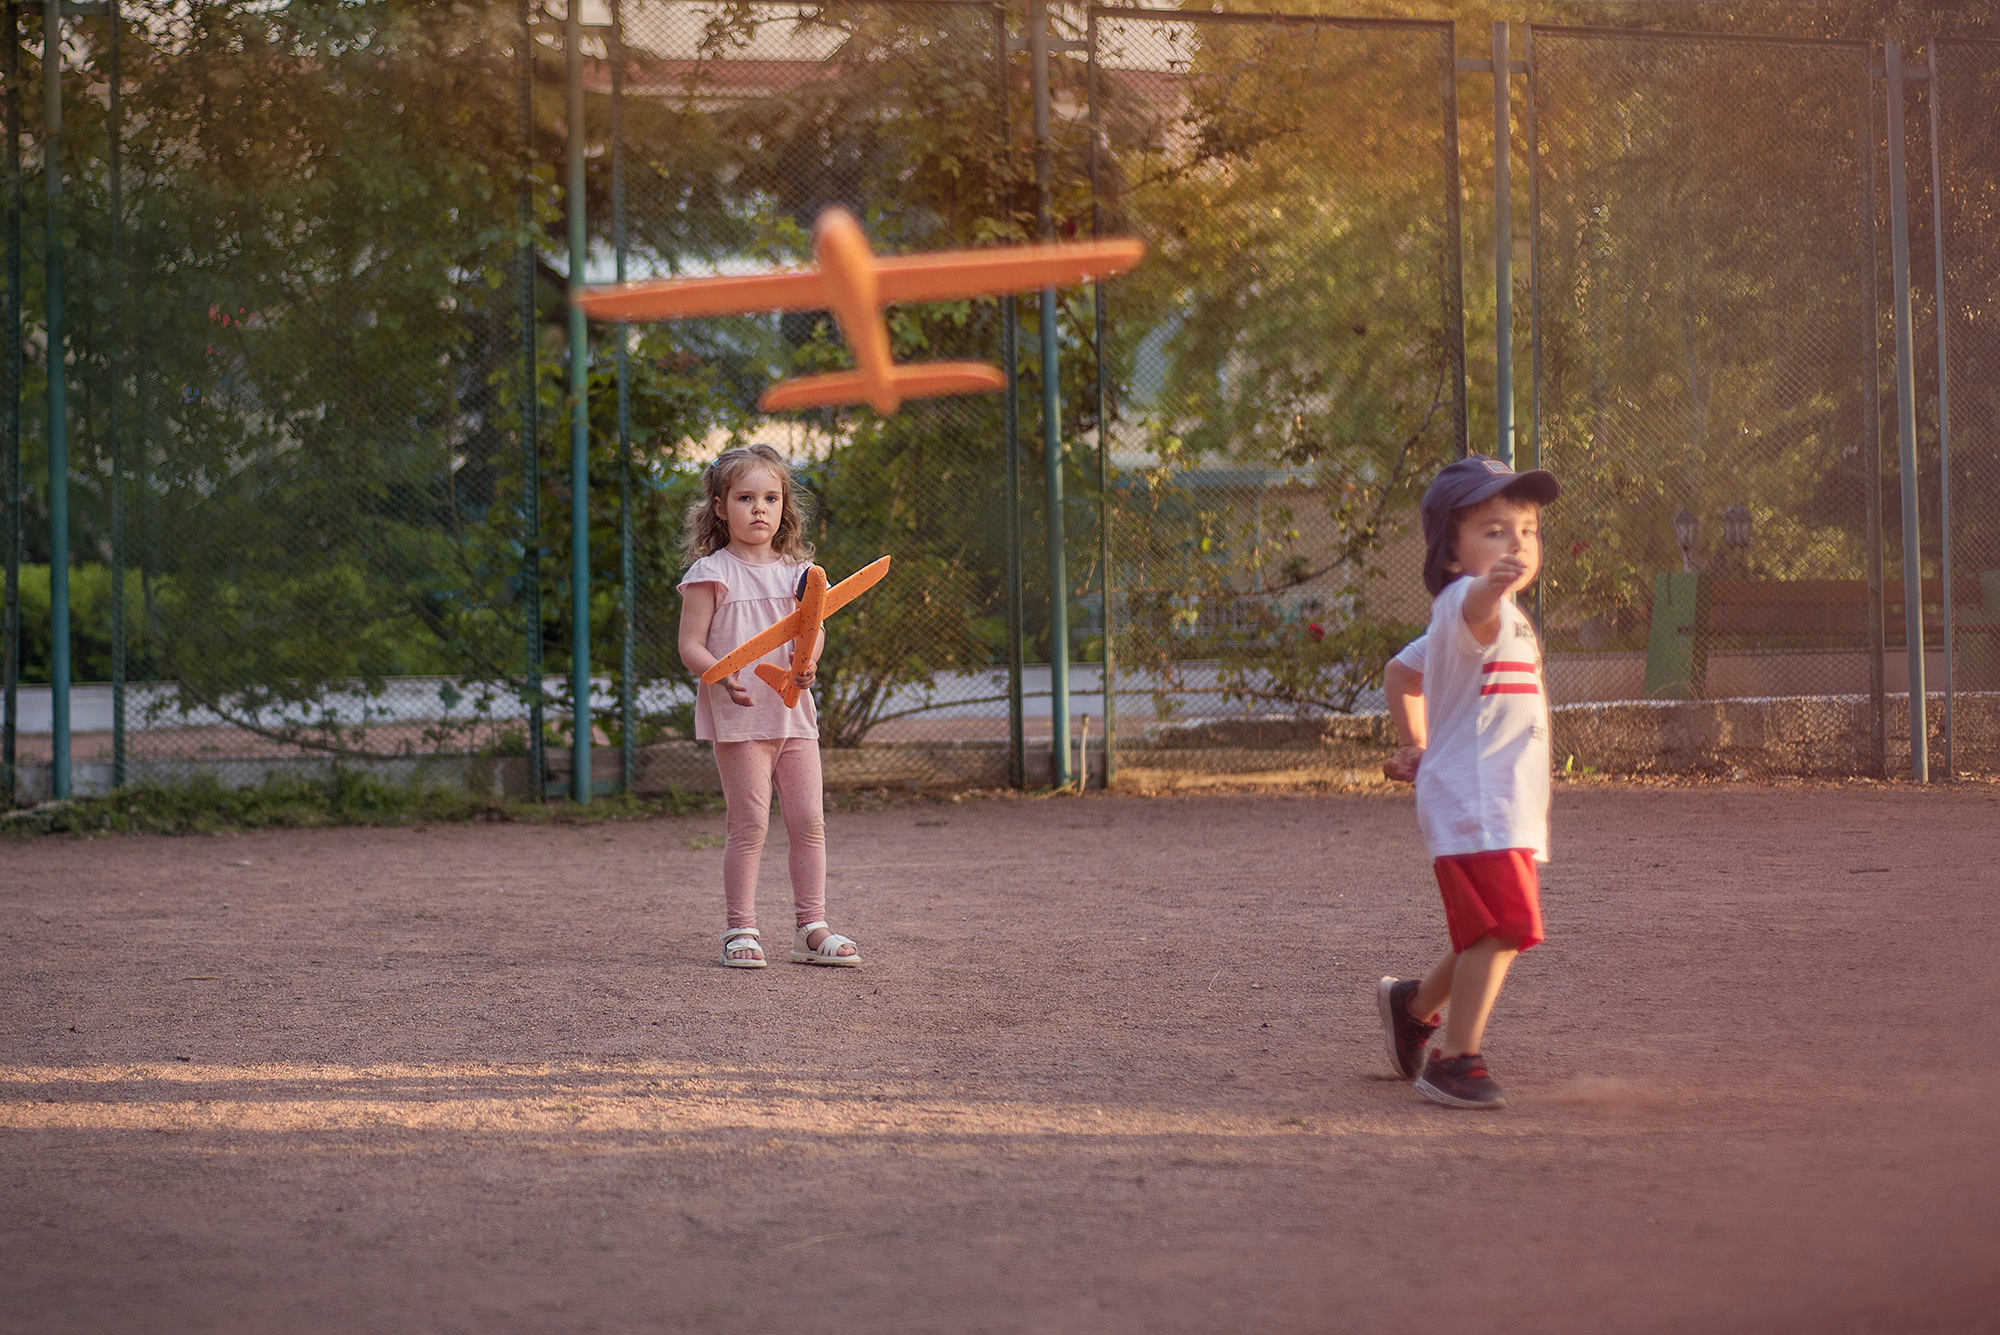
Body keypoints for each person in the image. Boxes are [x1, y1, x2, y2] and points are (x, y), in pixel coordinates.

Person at [1376, 454, 1559, 1109]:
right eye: (1494, 530)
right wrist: (1488, 586)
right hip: (1476, 800)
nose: (1517, 544)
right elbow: (1476, 601)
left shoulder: (1496, 617)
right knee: (1502, 928)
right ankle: (1456, 1061)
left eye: (1528, 530)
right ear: (1451, 556)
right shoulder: (1466, 602)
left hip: (1497, 801)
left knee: (1493, 927)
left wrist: (1414, 742)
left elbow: (1401, 673)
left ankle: (1413, 1007)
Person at [677, 444, 862, 970]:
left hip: (794, 718)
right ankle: (740, 929)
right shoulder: (710, 573)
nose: (759, 508)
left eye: (771, 498)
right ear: (719, 507)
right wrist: (720, 674)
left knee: (809, 822)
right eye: (745, 498)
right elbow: (690, 646)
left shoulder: (802, 573)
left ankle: (811, 929)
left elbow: (814, 630)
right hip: (740, 720)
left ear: (784, 506)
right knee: (749, 825)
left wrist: (809, 663)